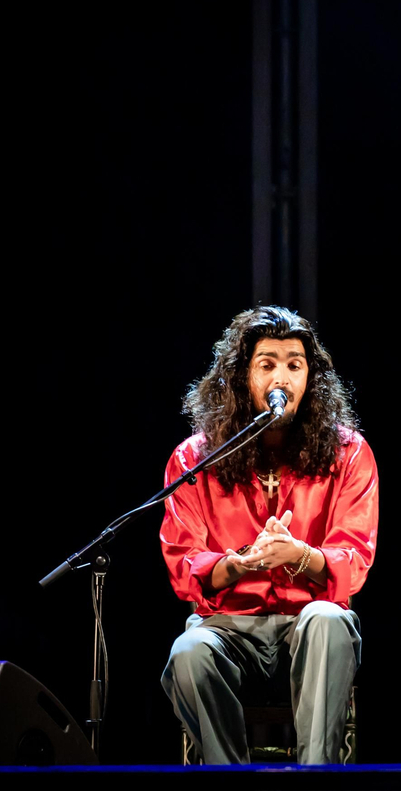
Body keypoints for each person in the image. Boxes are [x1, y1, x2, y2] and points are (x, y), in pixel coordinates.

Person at [160, 305, 377, 764]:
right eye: (268, 364)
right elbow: (184, 564)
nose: (283, 377)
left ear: (310, 378)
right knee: (189, 651)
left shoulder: (349, 453)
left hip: (308, 627)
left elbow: (353, 559)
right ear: (241, 378)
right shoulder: (194, 458)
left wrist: (298, 554)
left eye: (295, 365)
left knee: (330, 621)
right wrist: (235, 565)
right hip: (228, 628)